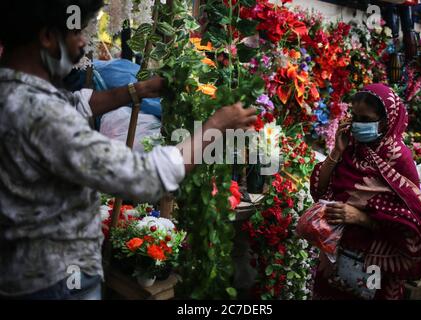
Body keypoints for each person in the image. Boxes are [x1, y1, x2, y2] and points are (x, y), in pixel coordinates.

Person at [0, 0, 257, 299]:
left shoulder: (13, 93)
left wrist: (137, 91)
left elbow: (76, 103)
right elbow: (144, 176)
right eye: (76, 32)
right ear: (47, 36)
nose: (83, 42)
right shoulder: (41, 113)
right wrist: (216, 126)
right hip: (55, 283)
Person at [310, 83, 421, 300]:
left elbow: (411, 224)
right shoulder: (352, 149)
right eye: (354, 117)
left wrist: (361, 218)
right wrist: (337, 150)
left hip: (378, 263)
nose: (356, 125)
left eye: (365, 120)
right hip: (335, 255)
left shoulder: (398, 160)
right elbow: (319, 189)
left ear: (386, 121)